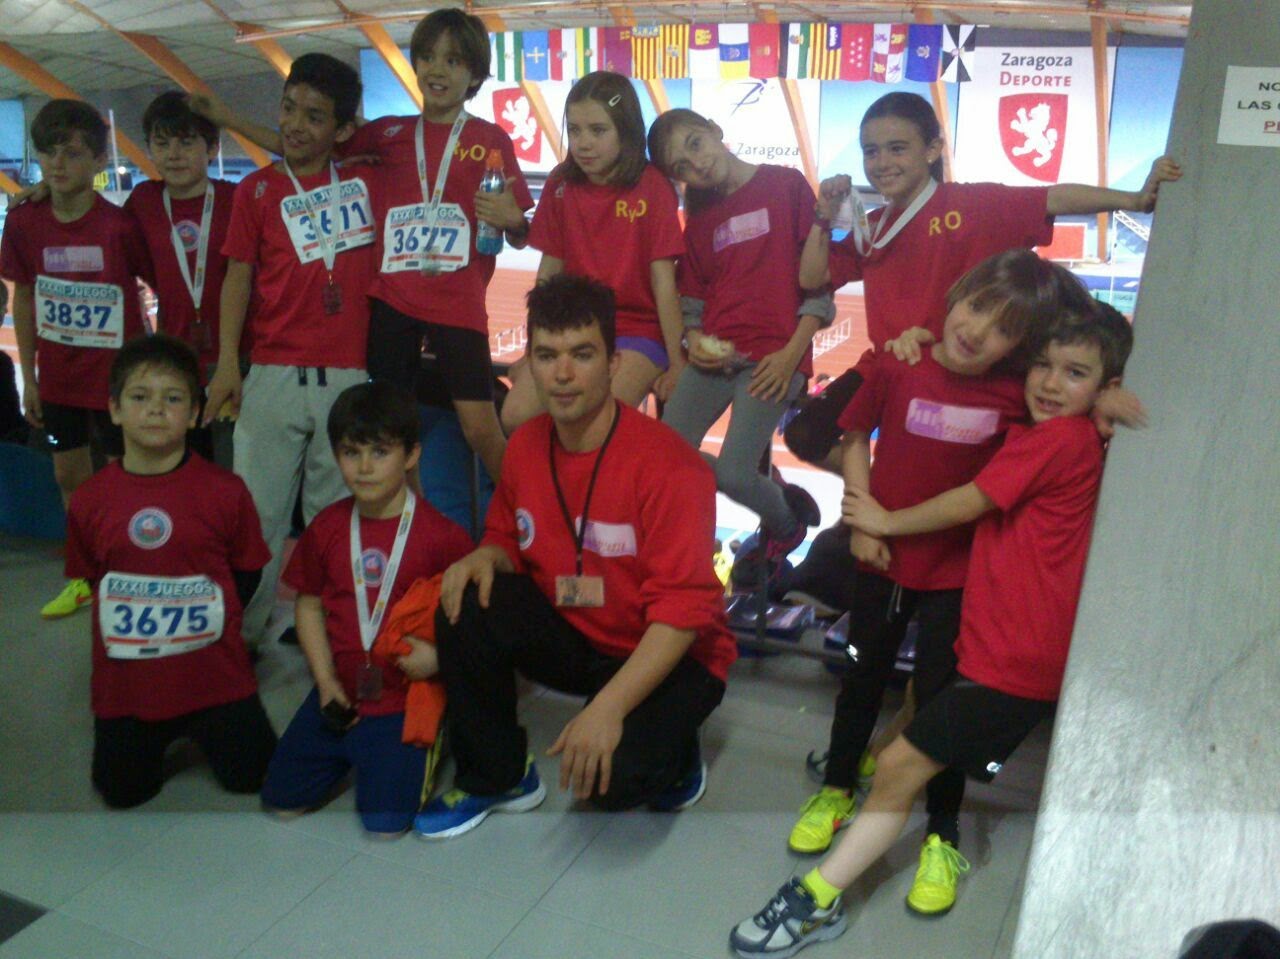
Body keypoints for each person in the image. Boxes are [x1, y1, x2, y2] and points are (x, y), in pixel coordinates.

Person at [730, 301, 1134, 958]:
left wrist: (883, 520)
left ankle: (815, 897)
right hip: (995, 651)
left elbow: (969, 501)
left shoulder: (1060, 440)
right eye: (1043, 365)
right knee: (909, 735)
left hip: (1014, 666)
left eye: (1075, 373)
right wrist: (917, 345)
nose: (1050, 383)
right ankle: (835, 876)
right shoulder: (1052, 431)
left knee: (897, 768)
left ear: (1105, 384)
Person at [781, 91, 1178, 609]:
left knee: (986, 477)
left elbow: (1053, 199)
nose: (881, 162)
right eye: (870, 151)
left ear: (932, 150)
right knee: (807, 433)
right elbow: (812, 277)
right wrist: (821, 216)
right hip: (894, 367)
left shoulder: (970, 204)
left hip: (965, 370)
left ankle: (913, 522)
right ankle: (895, 503)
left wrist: (1135, 200)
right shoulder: (872, 228)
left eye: (898, 148)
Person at [789, 250, 1095, 913]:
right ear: (956, 295)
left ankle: (942, 832)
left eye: (1004, 328)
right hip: (879, 557)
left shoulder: (1018, 396)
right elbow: (854, 435)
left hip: (956, 577)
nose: (977, 330)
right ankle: (837, 789)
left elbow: (1081, 369)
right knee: (861, 681)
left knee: (936, 706)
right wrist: (863, 519)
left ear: (1021, 348)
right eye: (977, 307)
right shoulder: (901, 362)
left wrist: (1110, 397)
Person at [414, 274, 736, 839]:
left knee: (610, 787)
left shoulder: (672, 467)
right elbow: (507, 537)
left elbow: (681, 617)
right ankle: (497, 776)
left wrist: (608, 708)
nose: (562, 374)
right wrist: (486, 556)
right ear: (529, 366)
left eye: (582, 355)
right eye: (547, 356)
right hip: (580, 632)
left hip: (674, 651)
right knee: (465, 599)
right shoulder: (525, 447)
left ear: (613, 363)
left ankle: (678, 751)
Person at [195, 8, 533, 482]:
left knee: (480, 427)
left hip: (457, 303)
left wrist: (515, 220)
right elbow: (304, 144)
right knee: (393, 428)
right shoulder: (388, 133)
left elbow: (519, 230)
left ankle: (523, 510)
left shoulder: (489, 139)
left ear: (475, 75)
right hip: (393, 303)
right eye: (428, 57)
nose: (437, 70)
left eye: (454, 61)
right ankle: (409, 516)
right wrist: (229, 120)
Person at [207, 54, 379, 651]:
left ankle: (330, 633)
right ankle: (242, 638)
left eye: (314, 116)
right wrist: (228, 364)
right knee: (256, 519)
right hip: (272, 375)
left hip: (346, 376)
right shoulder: (255, 190)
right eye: (288, 109)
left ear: (343, 128)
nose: (295, 125)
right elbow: (237, 278)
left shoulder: (366, 184)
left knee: (334, 519)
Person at [64, 334, 276, 808]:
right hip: (128, 691)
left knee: (257, 777)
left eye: (173, 398)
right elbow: (93, 578)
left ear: (196, 413)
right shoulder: (89, 500)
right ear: (115, 409)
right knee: (121, 794)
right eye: (140, 397)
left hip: (217, 680)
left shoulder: (226, 492)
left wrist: (209, 626)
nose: (156, 410)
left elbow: (247, 573)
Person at [260, 380, 473, 836]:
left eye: (380, 452)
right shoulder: (327, 528)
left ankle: (438, 731)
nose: (364, 467)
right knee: (280, 802)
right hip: (339, 694)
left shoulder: (443, 537)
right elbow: (309, 607)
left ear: (411, 455)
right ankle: (355, 748)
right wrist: (324, 682)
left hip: (404, 697)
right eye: (351, 452)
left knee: (386, 825)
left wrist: (440, 659)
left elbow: (472, 624)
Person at [647, 108, 827, 576]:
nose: (697, 164)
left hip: (773, 359)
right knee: (661, 456)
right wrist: (692, 339)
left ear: (714, 129)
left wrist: (791, 357)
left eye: (695, 144)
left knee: (732, 473)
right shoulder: (700, 216)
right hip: (715, 357)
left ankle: (786, 523)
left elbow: (819, 285)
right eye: (681, 167)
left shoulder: (785, 186)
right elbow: (694, 297)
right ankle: (771, 490)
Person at [0, 99, 154, 618]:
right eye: (49, 152)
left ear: (99, 160)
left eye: (72, 152)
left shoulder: (119, 226)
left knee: (122, 479)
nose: (58, 163)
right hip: (60, 380)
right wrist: (30, 378)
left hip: (116, 382)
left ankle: (130, 571)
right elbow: (24, 298)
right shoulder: (23, 222)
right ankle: (86, 575)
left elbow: (155, 282)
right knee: (70, 479)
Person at [501, 71, 685, 431]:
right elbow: (547, 276)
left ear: (625, 131)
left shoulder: (652, 187)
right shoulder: (560, 183)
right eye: (575, 130)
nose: (583, 143)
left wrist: (678, 362)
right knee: (516, 416)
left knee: (592, 421)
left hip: (638, 331)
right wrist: (534, 349)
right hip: (573, 328)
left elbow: (664, 285)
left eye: (598, 131)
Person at [123, 91, 240, 465]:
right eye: (162, 144)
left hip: (238, 359)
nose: (174, 154)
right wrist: (45, 193)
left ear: (212, 148)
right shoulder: (143, 201)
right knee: (183, 466)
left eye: (187, 142)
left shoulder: (237, 198)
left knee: (233, 468)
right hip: (176, 362)